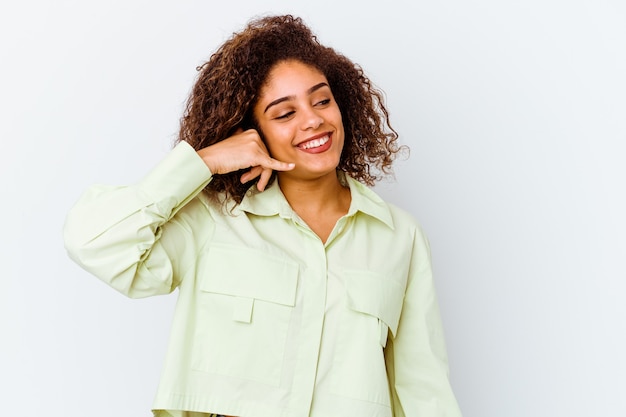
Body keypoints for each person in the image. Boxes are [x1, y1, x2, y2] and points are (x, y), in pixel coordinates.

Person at [63, 14, 462, 417]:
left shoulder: (399, 236)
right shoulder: (214, 220)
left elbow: (423, 391)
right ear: (251, 132)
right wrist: (204, 161)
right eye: (284, 113)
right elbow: (94, 241)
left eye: (322, 100)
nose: (313, 120)